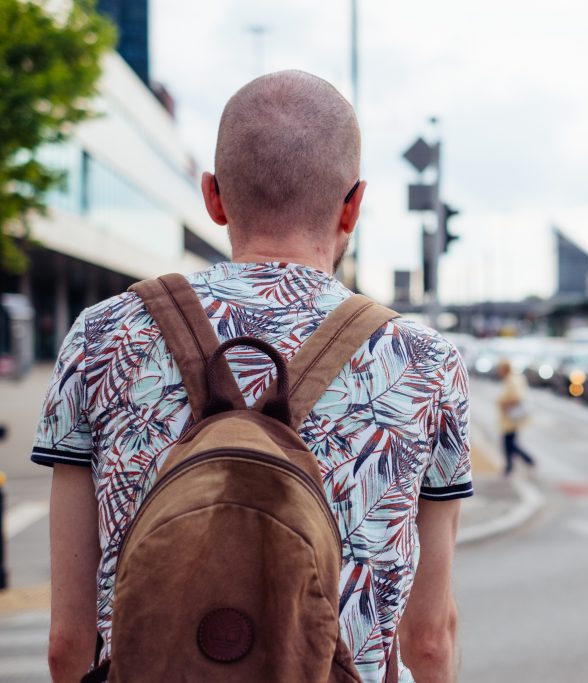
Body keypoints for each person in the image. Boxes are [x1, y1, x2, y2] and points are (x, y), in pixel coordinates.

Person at [34, 71, 470, 683]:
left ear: (213, 198)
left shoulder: (102, 336)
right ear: (354, 205)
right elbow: (427, 641)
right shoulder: (426, 362)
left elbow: (67, 642)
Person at [495, 359, 535, 475]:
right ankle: (515, 464)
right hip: (510, 418)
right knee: (510, 443)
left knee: (509, 443)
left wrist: (504, 404)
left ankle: (514, 465)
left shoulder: (511, 380)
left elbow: (517, 397)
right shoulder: (512, 379)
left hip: (511, 418)